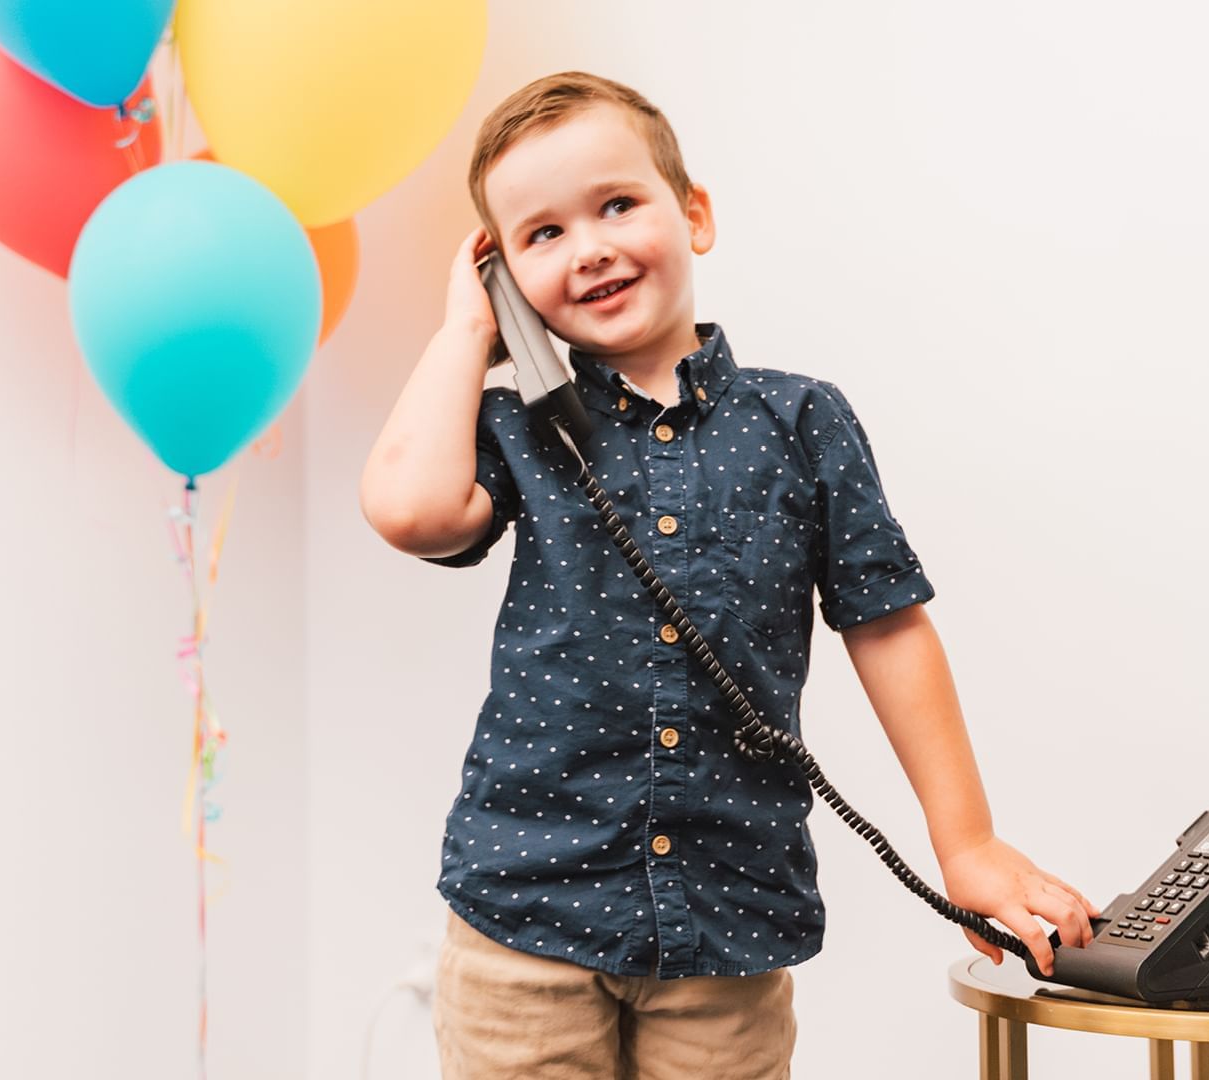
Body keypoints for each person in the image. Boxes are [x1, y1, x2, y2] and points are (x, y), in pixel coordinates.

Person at [359, 71, 1097, 1080]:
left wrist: (964, 841)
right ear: (501, 278)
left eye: (617, 204)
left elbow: (887, 624)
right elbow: (412, 510)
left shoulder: (801, 421)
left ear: (694, 215)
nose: (591, 248)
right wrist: (467, 332)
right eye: (540, 236)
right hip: (526, 911)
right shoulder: (517, 425)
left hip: (727, 923)